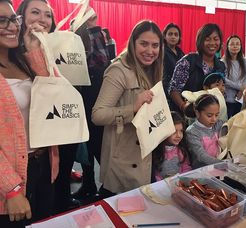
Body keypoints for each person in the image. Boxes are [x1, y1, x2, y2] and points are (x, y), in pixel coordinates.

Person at [17, 0, 79, 214]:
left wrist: (35, 50)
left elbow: (51, 93)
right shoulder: (10, 56)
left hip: (45, 151)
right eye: (35, 12)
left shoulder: (48, 54)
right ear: (20, 17)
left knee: (44, 211)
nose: (42, 19)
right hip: (16, 159)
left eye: (47, 15)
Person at [0, 0, 59, 225]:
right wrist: (12, 188)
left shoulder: (22, 60)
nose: (12, 26)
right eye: (1, 20)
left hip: (41, 163)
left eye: (13, 19)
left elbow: (53, 94)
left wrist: (33, 49)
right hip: (9, 175)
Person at [92, 20, 163, 195]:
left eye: (155, 45)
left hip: (144, 155)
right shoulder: (119, 70)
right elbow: (98, 115)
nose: (150, 51)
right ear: (133, 43)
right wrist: (132, 108)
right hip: (123, 160)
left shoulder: (152, 69)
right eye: (144, 44)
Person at [71, 8, 112, 201]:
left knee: (96, 145)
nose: (91, 19)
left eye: (92, 16)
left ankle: (108, 186)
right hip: (79, 96)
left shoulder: (97, 35)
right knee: (85, 144)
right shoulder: (75, 35)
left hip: (93, 97)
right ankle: (88, 184)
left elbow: (102, 63)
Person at [168, 23, 226, 114]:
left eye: (216, 39)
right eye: (207, 39)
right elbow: (173, 89)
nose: (212, 43)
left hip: (210, 118)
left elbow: (221, 92)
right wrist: (184, 107)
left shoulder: (221, 66)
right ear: (200, 41)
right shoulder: (187, 61)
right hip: (187, 116)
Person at [186, 94, 223, 169]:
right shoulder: (192, 132)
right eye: (209, 115)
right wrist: (222, 164)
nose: (214, 119)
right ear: (197, 113)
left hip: (220, 169)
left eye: (216, 115)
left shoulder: (219, 124)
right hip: (202, 171)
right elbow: (201, 156)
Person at [152, 111, 192, 181]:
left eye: (181, 131)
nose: (178, 135)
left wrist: (180, 180)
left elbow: (186, 168)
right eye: (174, 131)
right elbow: (155, 174)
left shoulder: (181, 149)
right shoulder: (155, 151)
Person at [222, 35, 246, 117]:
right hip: (227, 98)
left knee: (238, 121)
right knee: (227, 122)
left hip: (240, 98)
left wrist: (241, 90)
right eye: (232, 44)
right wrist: (240, 87)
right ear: (227, 46)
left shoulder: (244, 61)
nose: (235, 46)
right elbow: (224, 79)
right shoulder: (223, 61)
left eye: (237, 44)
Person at [162, 23, 184, 98]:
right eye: (170, 34)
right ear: (165, 36)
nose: (173, 37)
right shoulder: (161, 51)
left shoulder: (181, 53)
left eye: (176, 34)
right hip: (165, 90)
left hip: (180, 90)